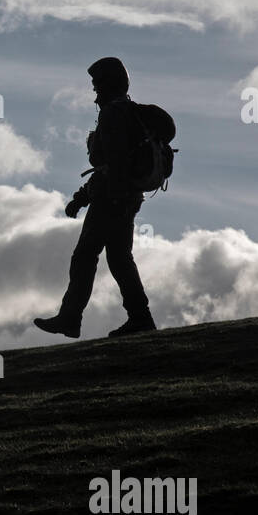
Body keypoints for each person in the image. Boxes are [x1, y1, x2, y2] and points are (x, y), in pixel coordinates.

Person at [34, 57, 157, 339]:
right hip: (125, 198)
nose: (94, 92)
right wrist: (84, 197)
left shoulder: (114, 115)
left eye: (97, 85)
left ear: (109, 84)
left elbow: (112, 166)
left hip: (111, 199)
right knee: (119, 259)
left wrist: (93, 198)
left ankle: (70, 318)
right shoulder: (127, 112)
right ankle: (141, 318)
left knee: (85, 256)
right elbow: (112, 166)